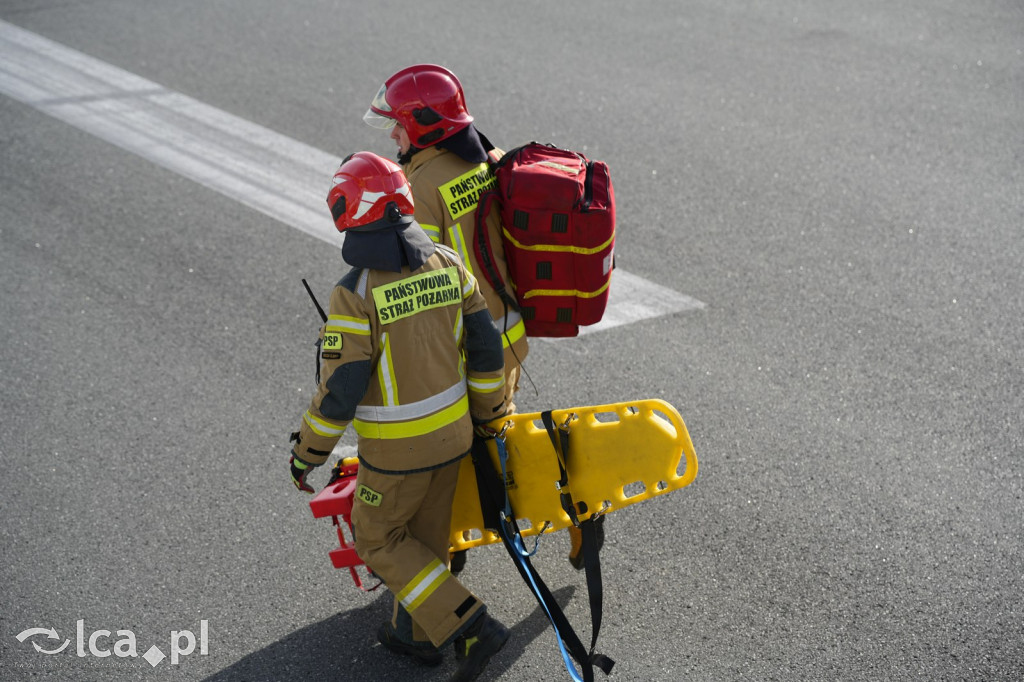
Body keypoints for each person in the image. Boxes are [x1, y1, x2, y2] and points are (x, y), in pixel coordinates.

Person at [363, 64, 601, 571]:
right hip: (507, 329)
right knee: (494, 442)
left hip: (468, 346)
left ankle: (573, 510)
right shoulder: (479, 157)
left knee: (476, 457)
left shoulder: (419, 187)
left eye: (398, 123)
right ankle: (458, 542)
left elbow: (421, 280)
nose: (392, 133)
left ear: (424, 125)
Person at [288, 151, 510, 680]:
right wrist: (490, 418)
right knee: (424, 541)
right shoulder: (449, 266)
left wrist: (306, 455)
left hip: (396, 454)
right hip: (454, 439)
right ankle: (415, 636)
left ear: (351, 212)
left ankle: (473, 625)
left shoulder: (355, 293)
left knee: (378, 538)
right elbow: (485, 354)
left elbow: (340, 391)